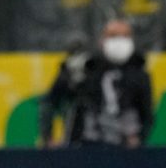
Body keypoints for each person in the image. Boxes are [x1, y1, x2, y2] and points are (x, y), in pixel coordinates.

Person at [38, 18, 153, 148]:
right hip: (83, 148)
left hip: (124, 151)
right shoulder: (82, 68)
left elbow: (147, 115)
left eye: (125, 36)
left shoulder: (139, 74)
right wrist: (48, 138)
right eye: (113, 36)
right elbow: (50, 102)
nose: (119, 41)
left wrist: (139, 139)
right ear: (102, 39)